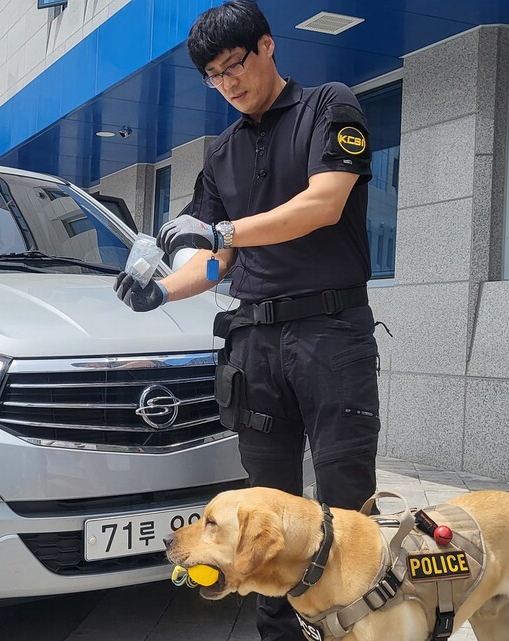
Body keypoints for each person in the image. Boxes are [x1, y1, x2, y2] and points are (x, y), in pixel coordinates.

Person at [114, 2, 380, 639]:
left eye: (235, 64)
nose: (228, 83)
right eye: (213, 75)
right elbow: (214, 260)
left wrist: (222, 228)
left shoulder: (329, 106)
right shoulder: (222, 151)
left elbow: (322, 203)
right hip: (253, 344)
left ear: (266, 47)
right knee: (262, 508)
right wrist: (159, 292)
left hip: (330, 335)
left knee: (346, 501)